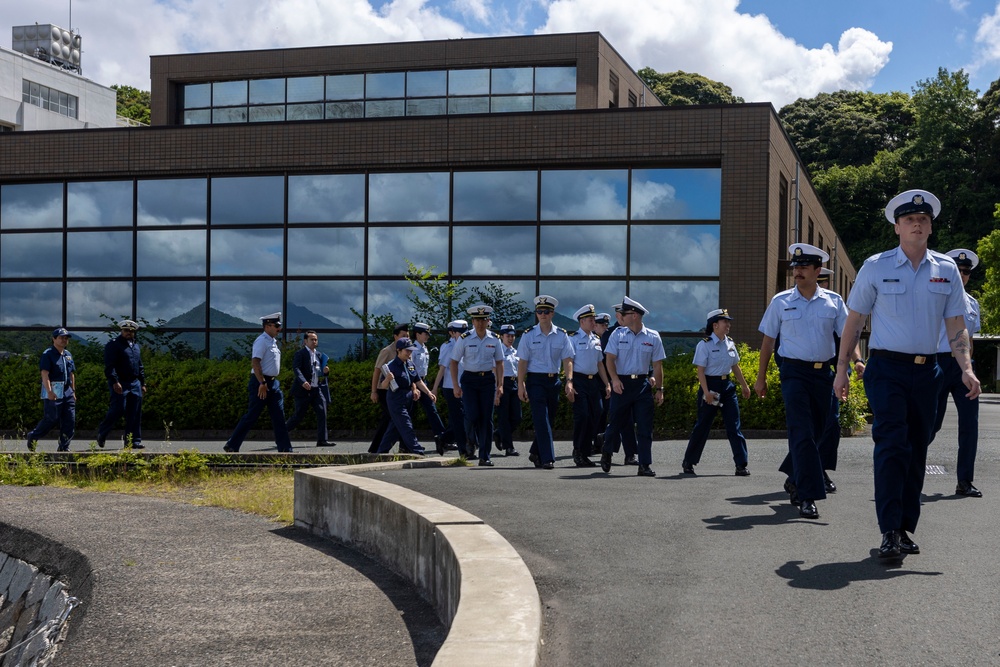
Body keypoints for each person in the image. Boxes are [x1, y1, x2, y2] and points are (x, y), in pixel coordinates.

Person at [834, 189, 980, 559]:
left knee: (917, 449)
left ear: (930, 228)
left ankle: (904, 528)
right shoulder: (876, 266)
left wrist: (966, 368)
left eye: (924, 220)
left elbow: (956, 326)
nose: (917, 224)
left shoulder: (946, 270)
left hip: (928, 371)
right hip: (886, 369)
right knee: (892, 444)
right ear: (897, 227)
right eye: (910, 219)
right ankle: (888, 529)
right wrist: (841, 371)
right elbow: (854, 322)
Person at [754, 244, 856, 519]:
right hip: (794, 373)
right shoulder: (781, 301)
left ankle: (795, 478)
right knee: (801, 431)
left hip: (824, 374)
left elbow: (847, 337)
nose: (797, 272)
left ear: (817, 270)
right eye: (795, 267)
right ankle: (807, 495)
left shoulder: (834, 302)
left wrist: (850, 366)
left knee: (822, 430)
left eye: (803, 267)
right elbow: (768, 342)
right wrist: (761, 378)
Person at [930, 249, 982, 498]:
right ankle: (909, 472)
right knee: (931, 424)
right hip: (938, 363)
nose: (962, 275)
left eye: (966, 272)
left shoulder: (972, 304)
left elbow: (968, 339)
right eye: (958, 270)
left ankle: (965, 481)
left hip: (963, 366)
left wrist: (969, 368)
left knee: (970, 425)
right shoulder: (935, 298)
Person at [599, 297, 665, 477]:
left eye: (625, 314)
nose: (621, 316)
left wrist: (659, 389)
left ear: (634, 316)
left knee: (644, 426)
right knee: (616, 422)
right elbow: (609, 359)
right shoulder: (617, 334)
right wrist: (614, 379)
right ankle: (607, 450)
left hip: (642, 385)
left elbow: (658, 365)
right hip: (622, 384)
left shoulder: (653, 336)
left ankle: (644, 464)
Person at [682, 309, 752, 476]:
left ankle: (741, 464)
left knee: (734, 427)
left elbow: (735, 366)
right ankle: (688, 462)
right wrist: (706, 392)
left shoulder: (730, 343)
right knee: (702, 426)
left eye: (728, 321)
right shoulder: (704, 344)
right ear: (715, 325)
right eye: (724, 322)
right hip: (710, 386)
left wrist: (744, 385)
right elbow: (700, 371)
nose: (728, 325)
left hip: (727, 386)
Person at [517, 295, 575, 470]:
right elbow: (522, 362)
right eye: (539, 311)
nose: (543, 314)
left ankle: (535, 451)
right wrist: (521, 384)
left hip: (554, 381)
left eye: (546, 311)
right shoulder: (528, 335)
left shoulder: (562, 334)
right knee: (541, 419)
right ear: (536, 313)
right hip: (535, 380)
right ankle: (547, 458)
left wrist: (569, 381)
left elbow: (568, 359)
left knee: (548, 419)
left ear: (552, 314)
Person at [224, 312, 293, 453]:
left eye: (279, 326)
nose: (279, 329)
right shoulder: (261, 341)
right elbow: (255, 362)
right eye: (276, 326)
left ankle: (285, 449)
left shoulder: (272, 341)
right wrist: (261, 383)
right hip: (261, 383)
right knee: (252, 415)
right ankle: (232, 444)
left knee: (279, 417)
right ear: (267, 326)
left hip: (273, 383)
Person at [450, 305, 505, 466]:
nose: (480, 323)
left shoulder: (494, 339)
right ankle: (470, 440)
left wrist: (500, 384)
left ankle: (485, 456)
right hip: (469, 380)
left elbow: (500, 362)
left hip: (487, 380)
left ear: (488, 321)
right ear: (472, 321)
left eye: (483, 319)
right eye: (477, 320)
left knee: (486, 419)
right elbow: (453, 362)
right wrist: (455, 385)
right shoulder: (465, 338)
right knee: (472, 415)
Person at [569, 304, 610, 467]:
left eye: (594, 319)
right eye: (591, 319)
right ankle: (578, 450)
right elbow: (569, 362)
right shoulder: (573, 339)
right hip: (579, 380)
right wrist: (569, 382)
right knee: (583, 416)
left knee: (597, 413)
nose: (594, 322)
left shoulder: (596, 339)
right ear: (582, 321)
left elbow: (600, 363)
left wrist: (607, 383)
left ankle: (586, 451)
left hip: (593, 382)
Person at [96, 319, 147, 449]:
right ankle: (102, 432)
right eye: (126, 330)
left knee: (134, 412)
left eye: (131, 331)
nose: (128, 333)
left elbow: (139, 365)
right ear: (121, 331)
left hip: (134, 382)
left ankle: (133, 440)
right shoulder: (113, 345)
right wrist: (114, 381)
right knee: (118, 409)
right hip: (120, 382)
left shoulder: (135, 345)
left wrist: (143, 382)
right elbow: (110, 365)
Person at [376, 338, 430, 455]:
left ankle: (381, 451)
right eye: (407, 351)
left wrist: (428, 392)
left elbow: (417, 380)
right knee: (406, 425)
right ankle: (417, 450)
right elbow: (382, 385)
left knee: (395, 427)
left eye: (410, 351)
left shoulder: (410, 364)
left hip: (408, 398)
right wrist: (388, 379)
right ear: (398, 350)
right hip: (396, 398)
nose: (409, 353)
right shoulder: (390, 366)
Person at [26, 327, 76, 452]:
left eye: (66, 338)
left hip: (67, 390)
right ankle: (33, 436)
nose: (64, 340)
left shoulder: (68, 355)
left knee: (70, 419)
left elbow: (71, 374)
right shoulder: (48, 354)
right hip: (54, 389)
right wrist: (49, 391)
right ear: (54, 339)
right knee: (51, 418)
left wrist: (73, 391)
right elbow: (45, 374)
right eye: (61, 338)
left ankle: (64, 447)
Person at [600, 305, 638, 465]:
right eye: (622, 314)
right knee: (620, 419)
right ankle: (613, 450)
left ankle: (627, 452)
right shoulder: (611, 334)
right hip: (616, 381)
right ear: (618, 316)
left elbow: (640, 358)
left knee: (628, 419)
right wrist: (610, 381)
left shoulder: (636, 332)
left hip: (633, 383)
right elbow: (606, 360)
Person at [285, 330, 336, 447]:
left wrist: (326, 371)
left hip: (316, 389)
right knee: (298, 415)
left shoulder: (319, 355)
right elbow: (296, 369)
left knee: (322, 412)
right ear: (305, 341)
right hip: (303, 391)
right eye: (312, 339)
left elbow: (321, 372)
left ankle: (322, 440)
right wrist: (303, 382)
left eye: (315, 339)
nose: (314, 341)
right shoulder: (300, 354)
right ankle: (281, 433)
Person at [368, 323, 410, 453]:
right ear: (395, 336)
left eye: (408, 336)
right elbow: (377, 371)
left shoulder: (407, 351)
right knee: (392, 418)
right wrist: (374, 391)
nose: (406, 339)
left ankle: (403, 446)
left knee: (396, 418)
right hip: (385, 390)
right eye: (403, 336)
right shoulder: (387, 351)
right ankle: (378, 448)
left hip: (400, 391)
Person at [410, 322, 450, 455]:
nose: (427, 336)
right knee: (410, 413)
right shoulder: (413, 349)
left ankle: (443, 438)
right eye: (425, 334)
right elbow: (411, 371)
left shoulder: (424, 347)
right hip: (414, 383)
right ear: (417, 334)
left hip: (423, 381)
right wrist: (414, 387)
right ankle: (407, 443)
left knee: (432, 410)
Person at [432, 320, 470, 457]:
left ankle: (444, 438)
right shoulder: (449, 347)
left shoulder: (466, 343)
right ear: (452, 333)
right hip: (450, 387)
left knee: (465, 417)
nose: (463, 335)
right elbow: (442, 368)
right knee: (459, 419)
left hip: (465, 386)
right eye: (460, 332)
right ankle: (463, 450)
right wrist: (435, 388)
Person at [494, 323, 522, 457]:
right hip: (502, 384)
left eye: (512, 336)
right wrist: (496, 391)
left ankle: (499, 433)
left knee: (517, 416)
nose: (510, 338)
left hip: (514, 384)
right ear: (501, 336)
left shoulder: (515, 352)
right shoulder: (497, 352)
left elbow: (519, 372)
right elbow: (494, 371)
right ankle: (508, 447)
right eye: (507, 336)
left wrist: (523, 387)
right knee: (504, 417)